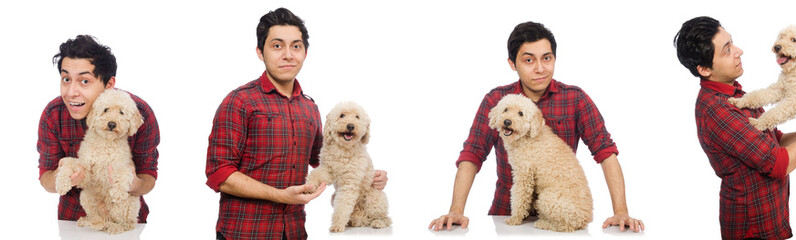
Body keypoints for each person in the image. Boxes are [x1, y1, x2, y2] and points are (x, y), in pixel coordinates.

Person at [429, 21, 644, 232]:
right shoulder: (497, 100)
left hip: (560, 216)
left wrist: (621, 210)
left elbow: (605, 152)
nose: (540, 68)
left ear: (555, 59)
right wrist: (456, 210)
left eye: (546, 58)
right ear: (513, 64)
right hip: (505, 216)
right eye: (529, 60)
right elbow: (472, 154)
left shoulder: (575, 98)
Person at [205, 7, 387, 240]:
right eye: (277, 45)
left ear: (305, 53)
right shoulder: (239, 101)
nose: (288, 54)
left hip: (294, 232)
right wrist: (281, 196)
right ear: (261, 52)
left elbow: (325, 160)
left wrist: (368, 174)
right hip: (245, 232)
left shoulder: (310, 108)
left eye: (296, 46)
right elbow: (219, 173)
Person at [673, 16, 796, 239]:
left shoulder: (736, 94)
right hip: (753, 228)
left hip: (771, 218)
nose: (739, 51)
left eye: (733, 42)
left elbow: (777, 140)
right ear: (705, 69)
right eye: (727, 50)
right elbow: (778, 164)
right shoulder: (717, 110)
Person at [38, 35, 160, 223]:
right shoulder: (53, 114)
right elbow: (45, 179)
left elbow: (149, 176)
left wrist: (133, 183)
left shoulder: (138, 112)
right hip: (72, 221)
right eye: (66, 79)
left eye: (84, 81)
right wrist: (64, 175)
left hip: (125, 222)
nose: (71, 92)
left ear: (109, 85)